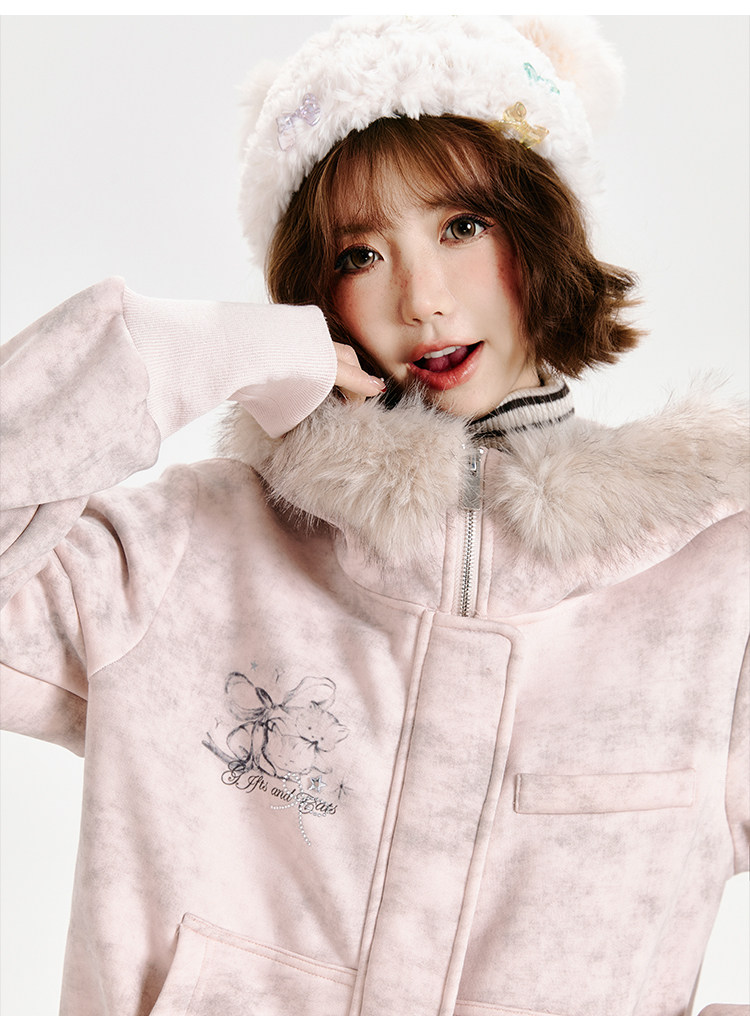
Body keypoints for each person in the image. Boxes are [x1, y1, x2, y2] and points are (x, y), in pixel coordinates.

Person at [1, 14, 747, 1018]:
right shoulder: (188, 552)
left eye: (463, 226)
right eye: (360, 254)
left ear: (542, 228)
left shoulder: (712, 587)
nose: (422, 299)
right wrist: (172, 350)